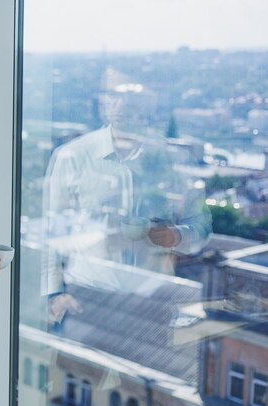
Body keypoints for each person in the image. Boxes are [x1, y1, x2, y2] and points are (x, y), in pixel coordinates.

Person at [42, 68, 212, 326]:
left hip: (153, 299)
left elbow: (202, 226)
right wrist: (54, 293)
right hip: (86, 296)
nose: (120, 104)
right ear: (102, 101)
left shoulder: (174, 160)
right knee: (79, 367)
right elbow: (51, 231)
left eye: (130, 96)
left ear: (148, 103)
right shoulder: (71, 156)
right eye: (112, 95)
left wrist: (177, 235)